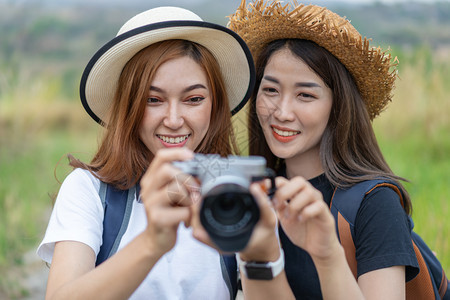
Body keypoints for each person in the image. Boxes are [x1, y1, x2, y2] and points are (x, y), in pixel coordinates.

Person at [36, 6, 256, 299]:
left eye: (194, 99)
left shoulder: (238, 193)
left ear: (215, 105)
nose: (175, 119)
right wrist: (152, 243)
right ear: (128, 106)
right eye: (153, 99)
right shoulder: (89, 191)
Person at [228, 0, 420, 299]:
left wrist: (327, 254)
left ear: (338, 105)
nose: (282, 112)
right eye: (270, 90)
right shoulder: (253, 193)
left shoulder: (374, 203)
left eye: (305, 94)